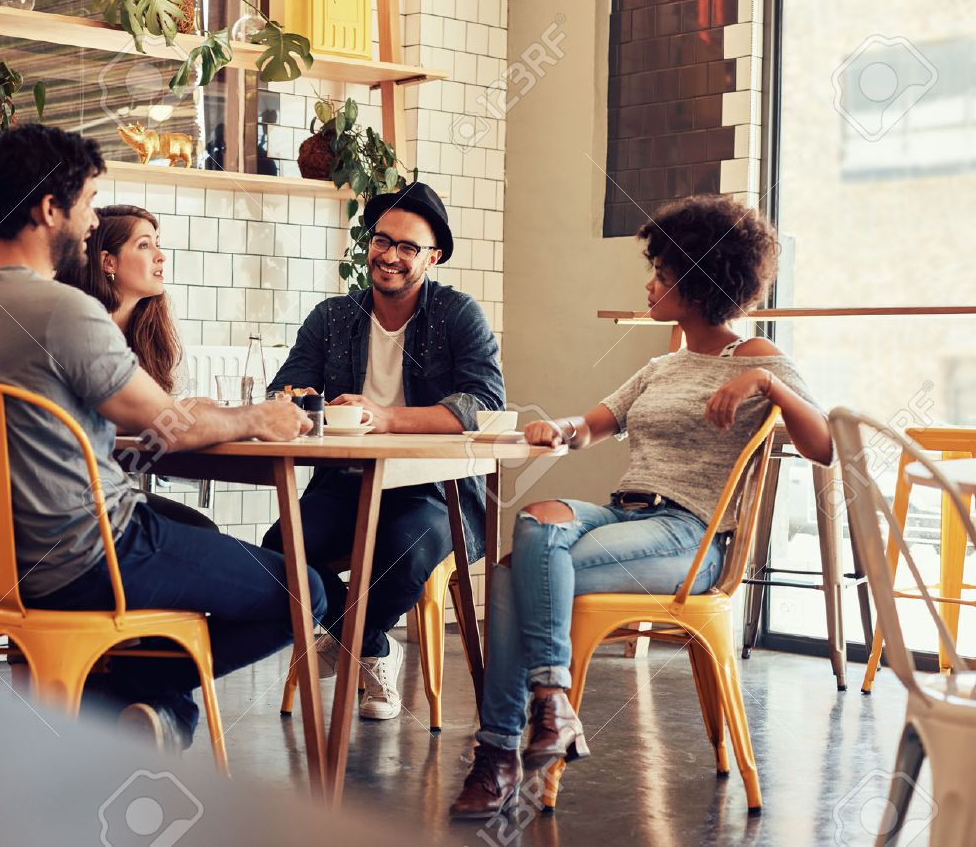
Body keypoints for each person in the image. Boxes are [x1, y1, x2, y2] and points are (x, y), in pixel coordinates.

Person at [0, 123, 324, 752]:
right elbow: (168, 424)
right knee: (307, 590)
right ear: (49, 209)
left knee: (201, 534)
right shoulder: (61, 310)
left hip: (13, 566)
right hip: (95, 551)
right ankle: (118, 697)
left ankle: (136, 703)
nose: (88, 224)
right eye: (84, 206)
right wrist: (255, 417)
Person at [448, 194, 834, 819]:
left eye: (663, 271)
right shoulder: (661, 365)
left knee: (514, 572)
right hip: (627, 516)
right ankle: (551, 702)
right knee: (534, 522)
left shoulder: (760, 360)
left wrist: (766, 384)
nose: (650, 282)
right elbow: (595, 423)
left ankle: (498, 758)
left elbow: (824, 446)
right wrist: (561, 429)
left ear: (701, 282)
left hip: (692, 539)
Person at [263, 182, 506, 721]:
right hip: (348, 481)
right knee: (281, 545)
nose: (390, 255)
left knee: (400, 549)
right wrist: (302, 402)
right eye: (381, 241)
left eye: (408, 247)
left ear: (433, 256)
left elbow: (484, 402)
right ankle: (371, 646)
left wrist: (384, 416)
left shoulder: (456, 314)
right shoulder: (332, 318)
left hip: (437, 491)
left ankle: (344, 641)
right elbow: (286, 390)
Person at [56, 204, 218, 533]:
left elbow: (159, 414)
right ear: (108, 262)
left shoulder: (153, 326)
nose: (161, 256)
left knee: (200, 527)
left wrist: (175, 412)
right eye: (144, 245)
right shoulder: (74, 326)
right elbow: (72, 421)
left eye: (157, 243)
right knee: (200, 531)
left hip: (108, 488)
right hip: (71, 499)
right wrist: (177, 414)